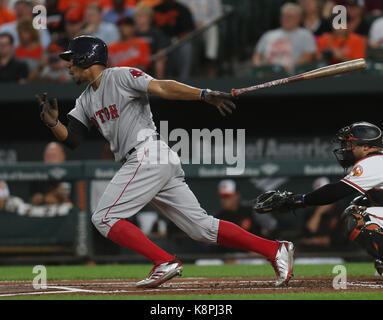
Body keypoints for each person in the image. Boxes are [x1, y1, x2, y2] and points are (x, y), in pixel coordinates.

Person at [36, 35, 295, 288]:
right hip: (148, 159)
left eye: (71, 59)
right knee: (201, 229)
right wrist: (53, 124)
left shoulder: (120, 76)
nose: (68, 65)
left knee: (104, 217)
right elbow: (72, 139)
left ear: (86, 57)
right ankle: (275, 249)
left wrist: (203, 94)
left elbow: (162, 87)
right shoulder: (85, 99)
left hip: (147, 153)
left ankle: (164, 261)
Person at [254, 121, 383, 276]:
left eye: (349, 144)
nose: (345, 149)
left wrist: (298, 200)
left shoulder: (373, 161)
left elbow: (336, 191)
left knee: (357, 216)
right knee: (361, 202)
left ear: (366, 147)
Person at [252, 2, 317, 74]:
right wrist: (260, 69)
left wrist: (290, 68)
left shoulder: (305, 35)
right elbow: (256, 56)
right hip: (266, 75)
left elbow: (308, 56)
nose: (286, 18)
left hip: (291, 76)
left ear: (298, 18)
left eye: (290, 16)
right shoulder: (268, 35)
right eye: (284, 16)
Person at [153, 0, 195, 80]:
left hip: (177, 42)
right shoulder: (156, 9)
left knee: (186, 47)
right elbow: (150, 30)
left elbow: (188, 31)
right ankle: (156, 83)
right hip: (159, 42)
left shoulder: (182, 9)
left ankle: (184, 80)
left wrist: (177, 39)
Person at [300, 177, 344, 249]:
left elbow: (342, 238)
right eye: (319, 194)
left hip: (336, 254)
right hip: (310, 254)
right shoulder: (310, 211)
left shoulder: (340, 210)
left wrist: (319, 241)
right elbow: (306, 235)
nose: (323, 197)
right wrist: (318, 213)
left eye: (326, 193)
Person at [133, 4, 170, 79]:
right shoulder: (132, 33)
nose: (139, 18)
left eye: (142, 16)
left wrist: (151, 58)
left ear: (150, 18)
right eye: (137, 16)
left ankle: (159, 85)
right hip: (135, 60)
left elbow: (162, 50)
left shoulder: (156, 32)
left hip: (152, 60)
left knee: (160, 62)